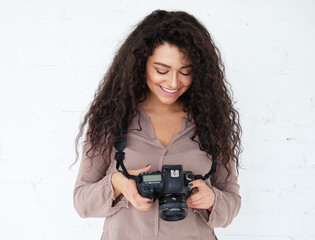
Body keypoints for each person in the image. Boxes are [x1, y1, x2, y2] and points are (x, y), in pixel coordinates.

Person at [73, 9, 242, 240]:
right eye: (162, 70)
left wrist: (212, 200)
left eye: (185, 72)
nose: (173, 82)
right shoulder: (112, 119)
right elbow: (81, 202)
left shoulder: (212, 123)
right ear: (141, 64)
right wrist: (116, 183)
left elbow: (231, 200)